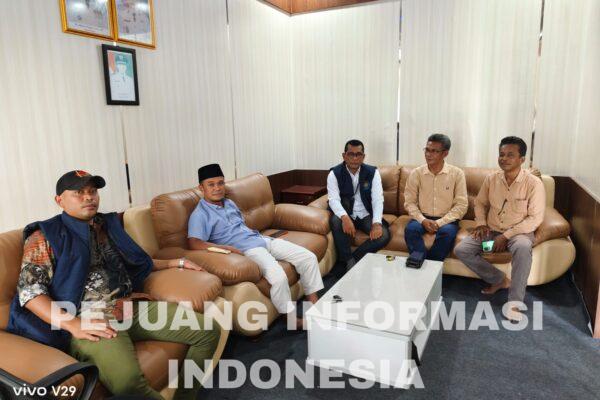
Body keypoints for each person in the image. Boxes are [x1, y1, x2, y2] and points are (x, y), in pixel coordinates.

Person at [7, 170, 219, 400]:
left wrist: (175, 262)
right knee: (129, 383)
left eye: (93, 191)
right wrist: (74, 324)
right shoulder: (45, 236)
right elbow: (30, 293)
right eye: (79, 192)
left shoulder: (105, 225)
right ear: (60, 200)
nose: (89, 197)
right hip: (90, 319)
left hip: (127, 306)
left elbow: (136, 261)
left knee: (208, 331)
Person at [187, 164, 324, 329]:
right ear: (201, 188)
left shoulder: (229, 203)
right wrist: (227, 249)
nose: (217, 188)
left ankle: (314, 308)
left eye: (220, 183)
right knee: (279, 278)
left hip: (261, 239)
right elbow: (194, 243)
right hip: (249, 250)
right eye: (211, 184)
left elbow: (242, 227)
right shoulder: (200, 214)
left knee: (307, 257)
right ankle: (292, 320)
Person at [454, 136, 545, 321]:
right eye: (501, 154)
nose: (504, 158)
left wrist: (506, 236)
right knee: (462, 249)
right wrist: (481, 223)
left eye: (510, 155)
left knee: (522, 248)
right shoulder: (491, 179)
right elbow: (480, 203)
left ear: (522, 159)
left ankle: (515, 304)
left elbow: (535, 218)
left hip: (518, 234)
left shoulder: (534, 184)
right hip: (491, 232)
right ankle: (500, 280)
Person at [327, 139, 391, 270]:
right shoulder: (334, 173)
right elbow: (333, 200)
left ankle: (351, 260)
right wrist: (345, 217)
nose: (355, 158)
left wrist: (377, 223)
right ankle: (347, 260)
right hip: (346, 212)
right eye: (351, 154)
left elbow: (377, 199)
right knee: (335, 220)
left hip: (365, 214)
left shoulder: (372, 172)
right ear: (344, 156)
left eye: (358, 154)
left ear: (363, 156)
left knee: (384, 235)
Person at [404, 134, 468, 261]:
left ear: (445, 153)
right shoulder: (416, 173)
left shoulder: (457, 174)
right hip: (422, 217)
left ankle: (427, 265)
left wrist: (439, 223)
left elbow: (461, 205)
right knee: (411, 230)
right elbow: (409, 202)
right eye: (427, 150)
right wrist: (423, 220)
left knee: (447, 234)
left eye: (434, 151)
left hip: (447, 219)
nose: (428, 154)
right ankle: (419, 261)